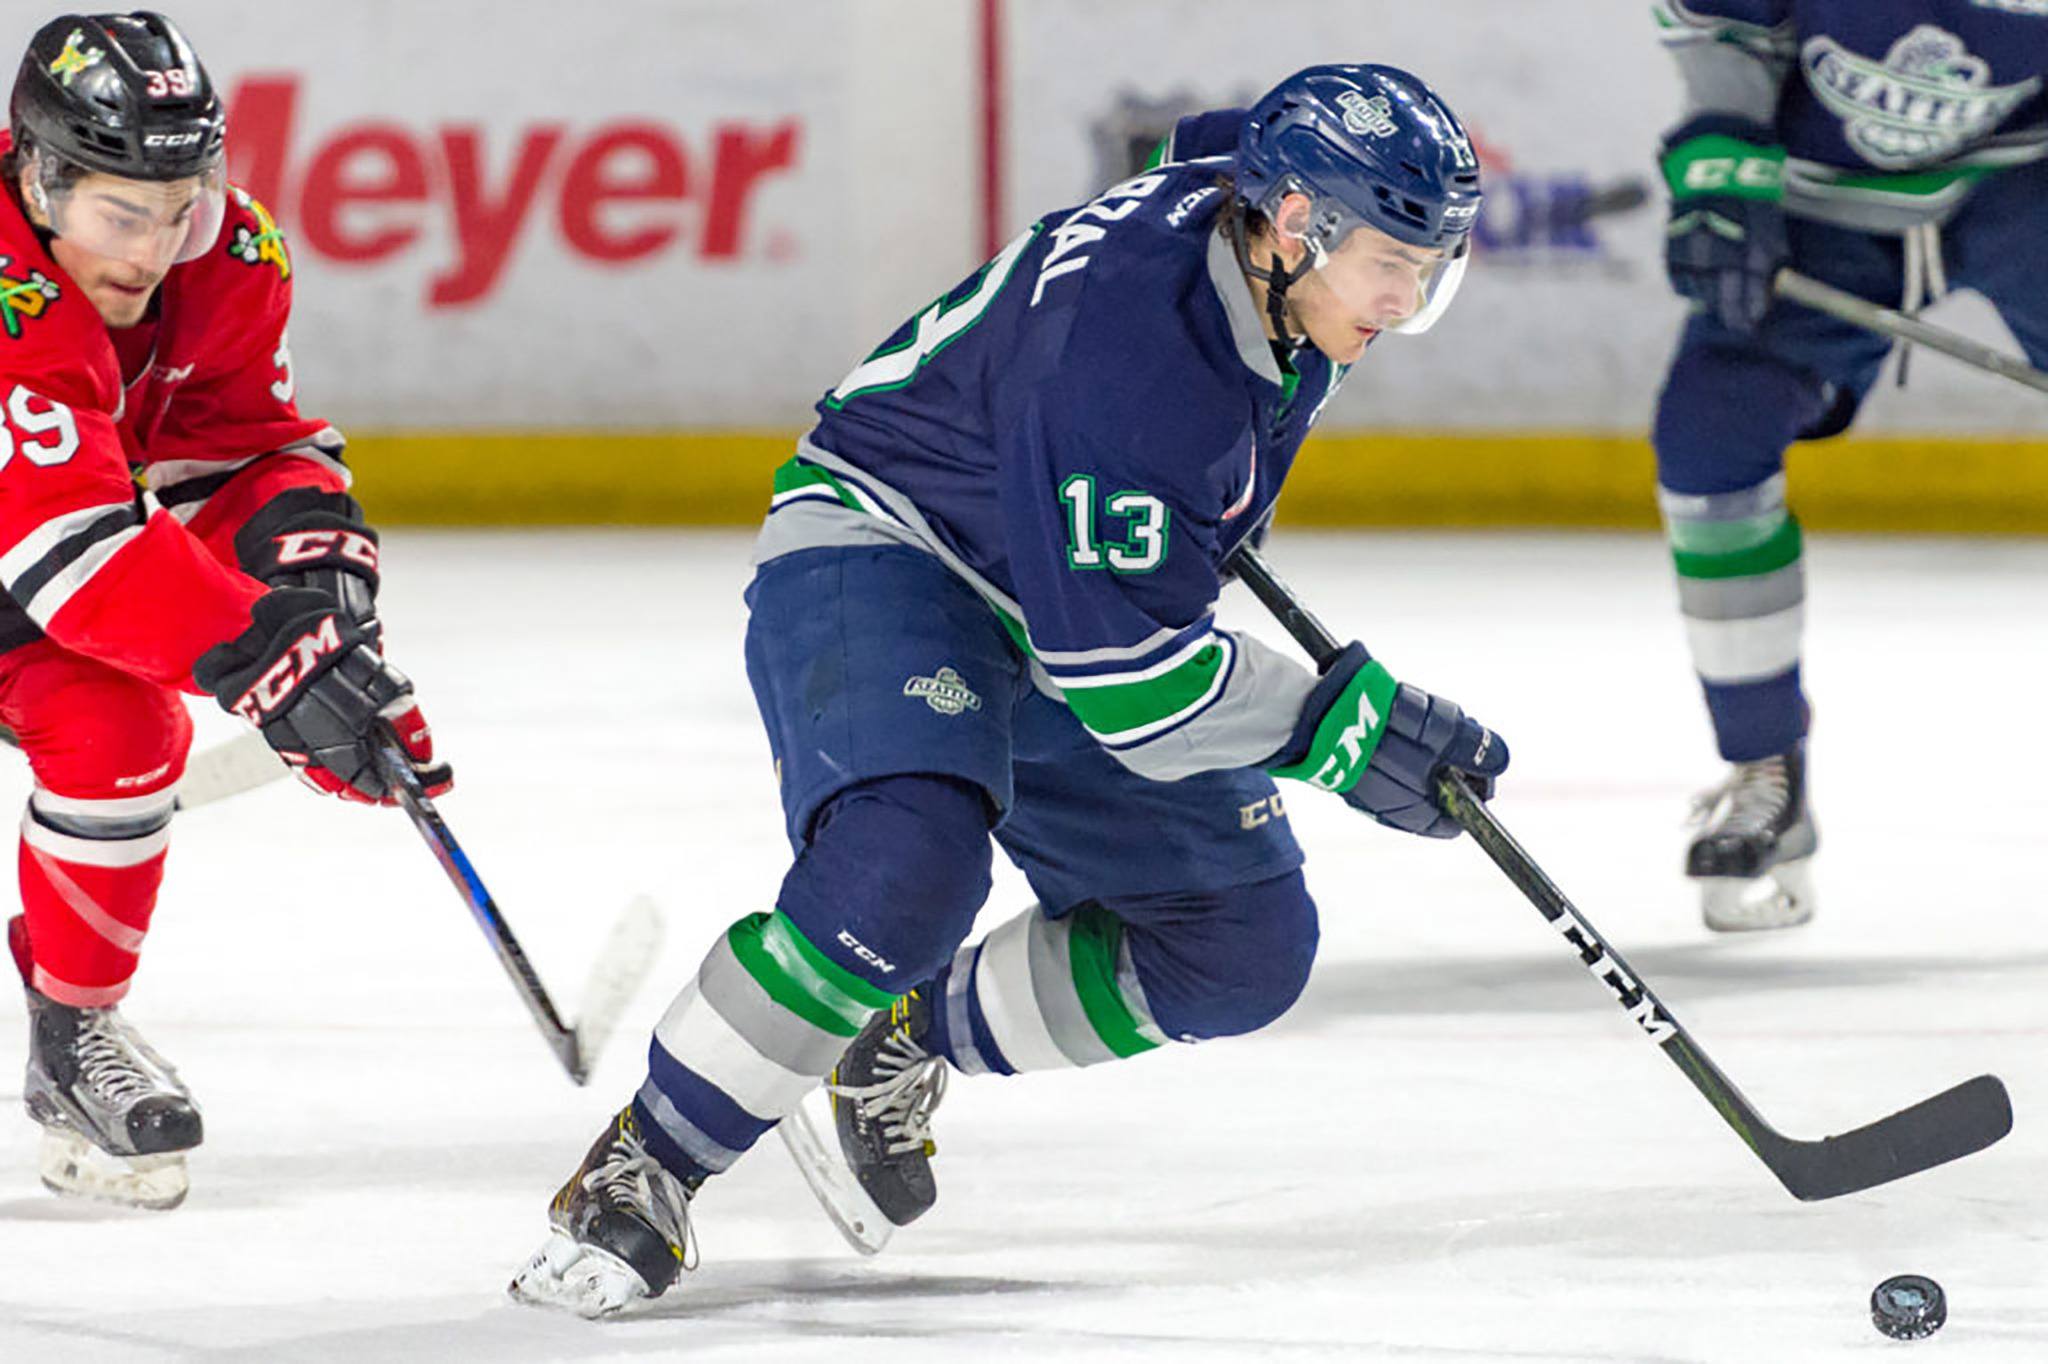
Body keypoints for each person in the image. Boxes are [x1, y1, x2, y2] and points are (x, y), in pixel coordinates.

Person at [511, 63, 1508, 1318]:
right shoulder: (1139, 357)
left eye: (1431, 266)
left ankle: (903, 1026)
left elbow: (1202, 141)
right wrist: (1341, 728)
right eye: (1391, 262)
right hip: (894, 546)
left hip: (1065, 591)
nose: (1407, 297)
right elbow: (1132, 687)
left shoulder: (1259, 235)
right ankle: (647, 1164)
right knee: (904, 868)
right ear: (1297, 223)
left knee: (1239, 946)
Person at [0, 10, 450, 1209]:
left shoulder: (231, 254)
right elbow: (71, 557)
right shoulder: (9, 299)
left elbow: (239, 447)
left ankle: (71, 1034)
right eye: (119, 211)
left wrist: (316, 588)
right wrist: (278, 663)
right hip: (36, 541)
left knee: (123, 730)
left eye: (176, 203)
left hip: (33, 543)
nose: (152, 247)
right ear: (40, 178)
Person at [1650, 2, 2048, 930]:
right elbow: (1724, 28)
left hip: (2027, 187)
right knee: (1713, 432)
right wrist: (1722, 174)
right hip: (1823, 201)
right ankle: (1765, 767)